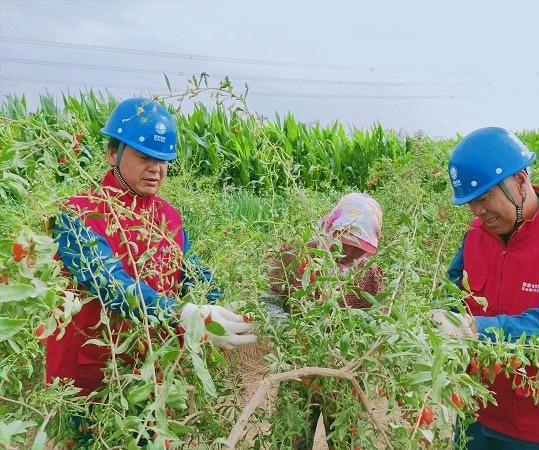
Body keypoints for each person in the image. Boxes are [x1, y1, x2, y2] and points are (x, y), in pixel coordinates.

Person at [46, 98, 256, 410]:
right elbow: (110, 283)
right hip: (90, 374)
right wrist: (181, 314)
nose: (156, 169)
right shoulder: (78, 213)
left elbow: (189, 271)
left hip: (152, 368)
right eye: (145, 157)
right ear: (112, 154)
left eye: (163, 160)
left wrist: (220, 304)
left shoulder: (169, 216)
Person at [431, 127, 539, 449]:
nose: (477, 211)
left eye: (485, 198)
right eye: (470, 203)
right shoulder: (476, 236)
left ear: (520, 181)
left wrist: (475, 329)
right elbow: (453, 294)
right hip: (477, 409)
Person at [267, 192, 384, 450]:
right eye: (346, 240)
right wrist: (286, 330)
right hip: (297, 371)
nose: (350, 251)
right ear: (331, 227)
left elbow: (379, 321)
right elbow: (270, 301)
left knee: (347, 440)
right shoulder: (295, 257)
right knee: (291, 439)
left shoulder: (370, 274)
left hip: (347, 377)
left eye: (360, 246)